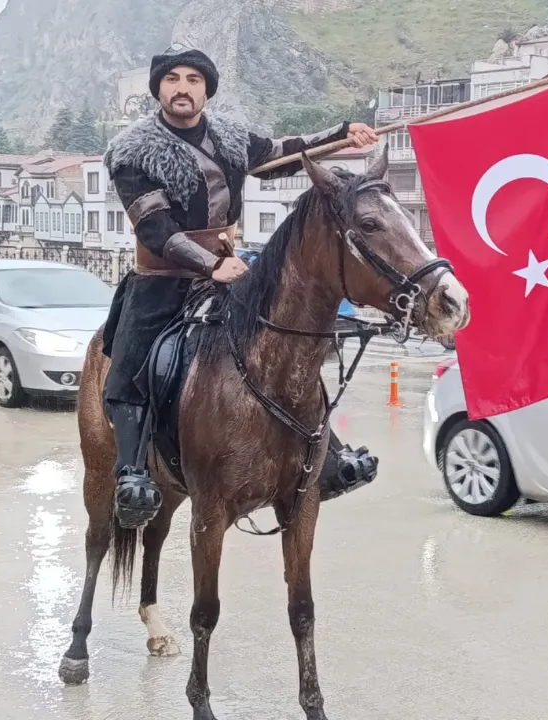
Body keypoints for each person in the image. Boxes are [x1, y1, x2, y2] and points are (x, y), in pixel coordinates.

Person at [101, 45, 382, 529]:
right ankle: (132, 473)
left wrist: (341, 135)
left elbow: (283, 153)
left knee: (286, 346)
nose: (183, 88)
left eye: (193, 79)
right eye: (172, 79)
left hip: (229, 270)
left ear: (206, 90)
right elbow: (154, 227)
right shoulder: (132, 151)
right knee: (130, 364)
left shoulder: (230, 139)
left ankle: (327, 455)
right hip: (162, 278)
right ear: (158, 89)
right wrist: (210, 264)